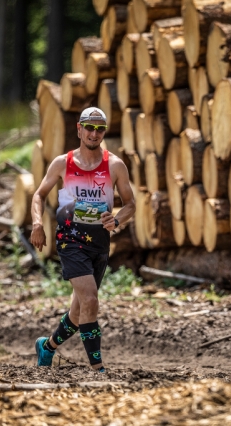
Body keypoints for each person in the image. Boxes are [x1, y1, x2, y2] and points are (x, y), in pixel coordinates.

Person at [30, 107, 135, 372]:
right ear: (79, 129)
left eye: (100, 129)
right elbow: (39, 195)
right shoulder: (62, 163)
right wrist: (37, 223)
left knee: (79, 313)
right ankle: (97, 369)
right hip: (70, 241)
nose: (94, 133)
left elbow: (131, 204)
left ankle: (47, 346)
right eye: (89, 127)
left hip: (99, 244)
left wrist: (118, 219)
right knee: (90, 300)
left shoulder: (114, 165)